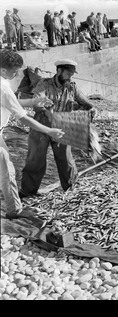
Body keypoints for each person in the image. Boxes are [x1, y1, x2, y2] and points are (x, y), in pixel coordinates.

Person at [1, 49, 64, 219]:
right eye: (14, 72)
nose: (16, 75)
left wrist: (34, 101)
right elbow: (23, 118)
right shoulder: (3, 86)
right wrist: (49, 130)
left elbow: (10, 101)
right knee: (7, 171)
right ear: (3, 70)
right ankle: (14, 210)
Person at [19, 59, 96, 198]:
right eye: (68, 73)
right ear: (59, 71)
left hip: (62, 125)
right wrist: (47, 111)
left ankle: (70, 188)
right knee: (35, 159)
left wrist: (92, 108)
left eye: (72, 74)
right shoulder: (44, 84)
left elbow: (84, 101)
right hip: (41, 126)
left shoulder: (72, 87)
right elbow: (38, 103)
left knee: (66, 159)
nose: (70, 77)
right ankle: (27, 192)